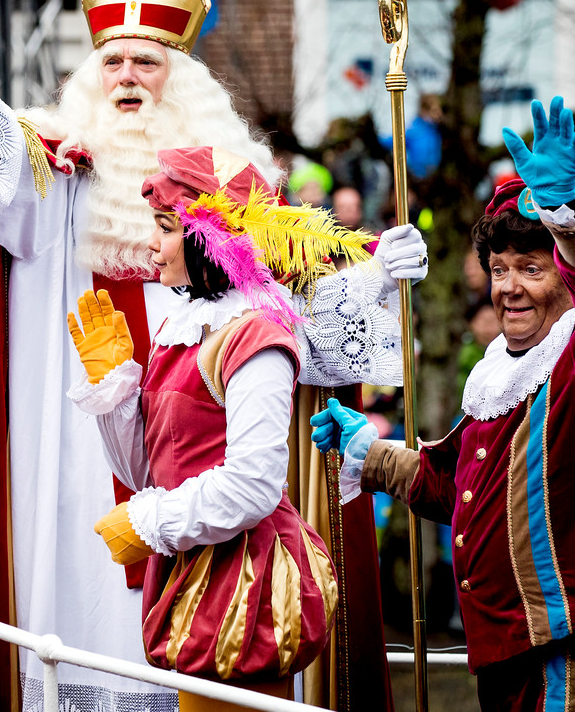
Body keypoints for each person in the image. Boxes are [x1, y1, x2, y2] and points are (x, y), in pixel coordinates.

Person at [0, 0, 425, 710]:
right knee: (80, 633)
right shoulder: (56, 171)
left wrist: (372, 274)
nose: (126, 75)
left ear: (180, 76)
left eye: (146, 62)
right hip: (77, 469)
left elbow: (295, 311)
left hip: (220, 486)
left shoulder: (238, 193)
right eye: (111, 60)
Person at [311, 97, 575, 711]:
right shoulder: (500, 377)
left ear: (566, 275)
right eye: (499, 268)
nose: (509, 287)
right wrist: (369, 452)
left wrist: (569, 219)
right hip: (511, 664)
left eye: (531, 269)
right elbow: (450, 485)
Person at [67, 147, 359, 709]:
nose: (152, 244)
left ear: (209, 240)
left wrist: (149, 518)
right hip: (193, 564)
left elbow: (253, 484)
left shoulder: (254, 337)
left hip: (246, 579)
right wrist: (116, 391)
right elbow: (148, 469)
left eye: (167, 228)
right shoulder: (187, 327)